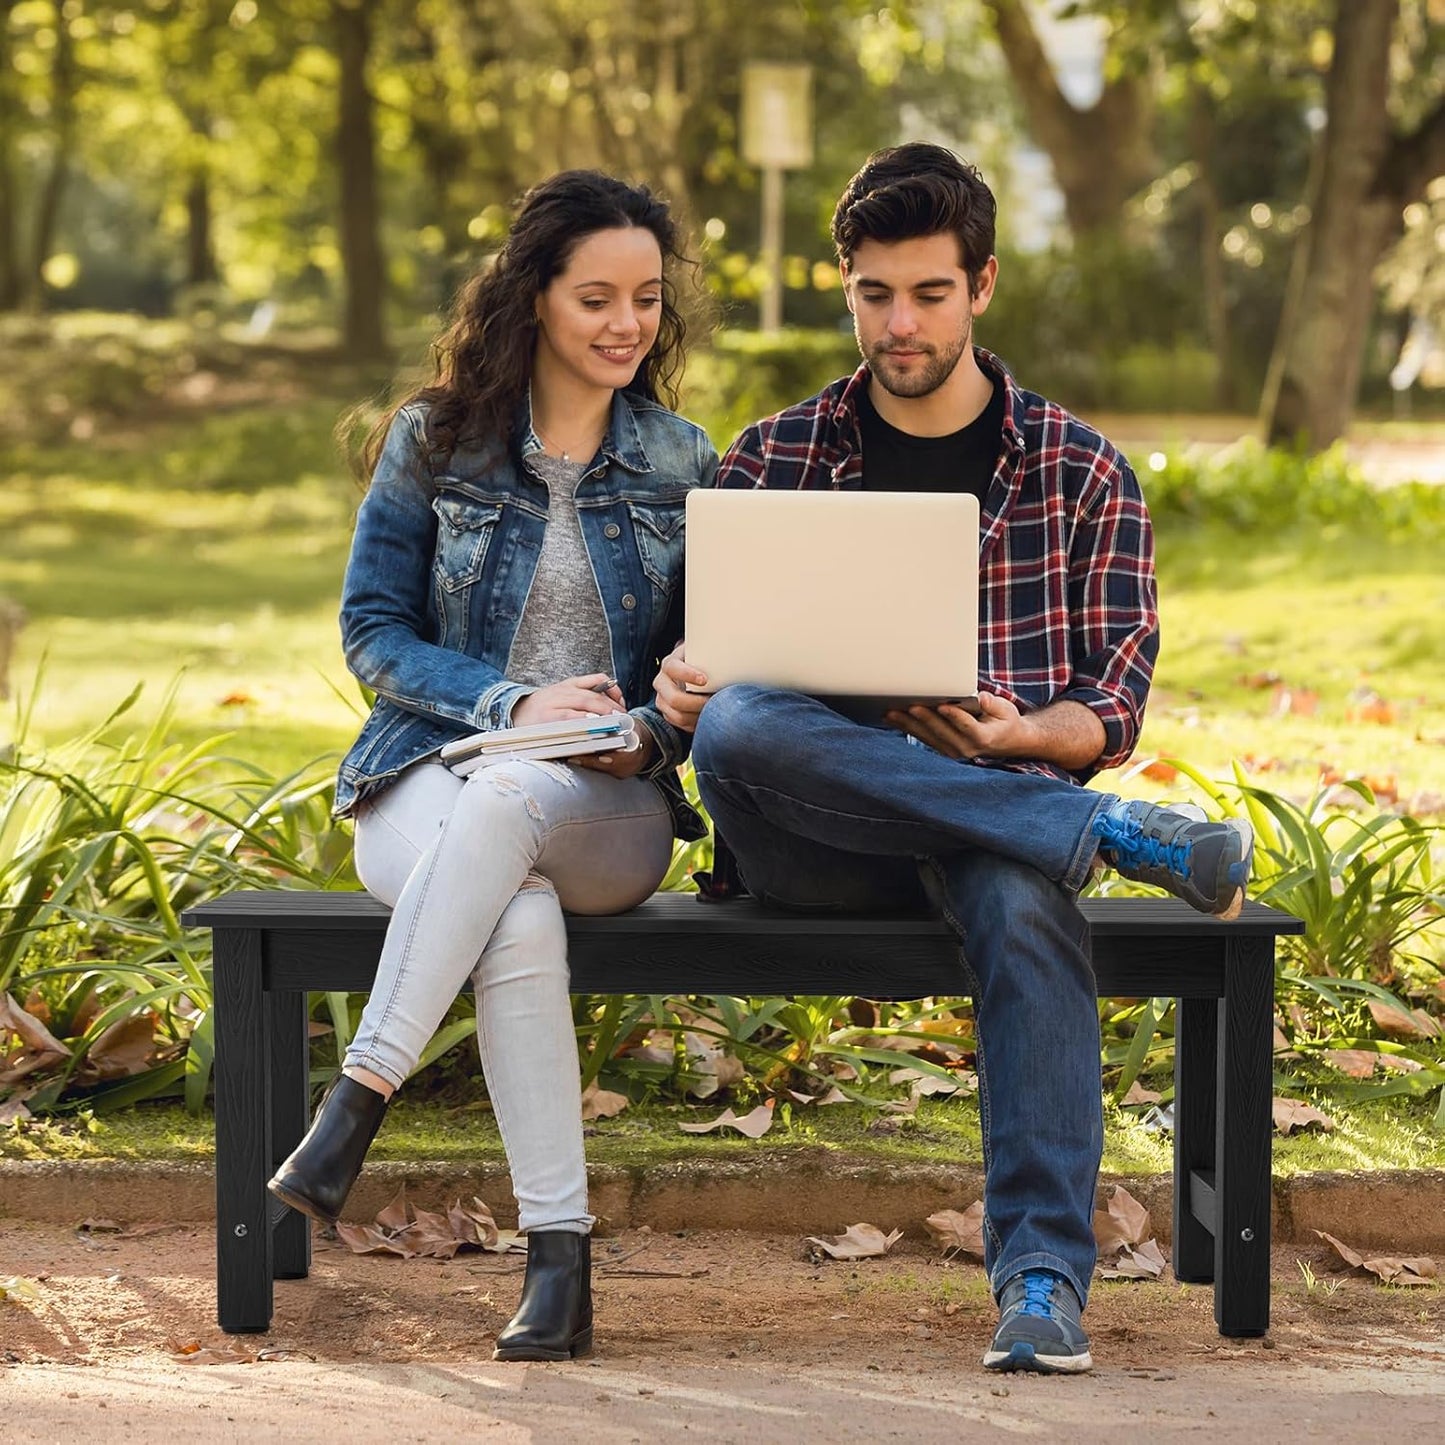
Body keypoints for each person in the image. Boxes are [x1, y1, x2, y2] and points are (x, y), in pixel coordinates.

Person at [654, 144, 1253, 1377]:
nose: (898, 322)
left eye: (927, 292)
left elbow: (1107, 710)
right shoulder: (772, 458)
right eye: (873, 293)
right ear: (846, 287)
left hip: (996, 820)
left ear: (980, 286)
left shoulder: (1082, 470)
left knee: (1022, 892)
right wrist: (675, 684)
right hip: (805, 838)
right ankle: (1110, 840)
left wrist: (1022, 739)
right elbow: (697, 685)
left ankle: (1039, 1279)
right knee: (746, 722)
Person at [268, 171, 715, 1363]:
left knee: (522, 800)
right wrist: (506, 697)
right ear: (535, 299)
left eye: (646, 301)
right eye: (597, 299)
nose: (627, 324)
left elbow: (706, 666)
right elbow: (373, 629)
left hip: (602, 800)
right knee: (510, 909)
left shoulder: (682, 458)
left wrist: (652, 725)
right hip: (431, 769)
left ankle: (358, 1097)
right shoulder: (438, 439)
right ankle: (558, 1269)